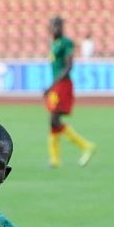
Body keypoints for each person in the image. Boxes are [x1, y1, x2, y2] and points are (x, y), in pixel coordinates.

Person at [45, 16, 96, 168]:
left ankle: (86, 146)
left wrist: (52, 85)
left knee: (54, 119)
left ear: (62, 27)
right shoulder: (54, 43)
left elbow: (69, 66)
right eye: (53, 25)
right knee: (53, 120)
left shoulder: (66, 43)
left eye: (58, 25)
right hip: (57, 85)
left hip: (63, 84)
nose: (55, 28)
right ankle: (55, 159)